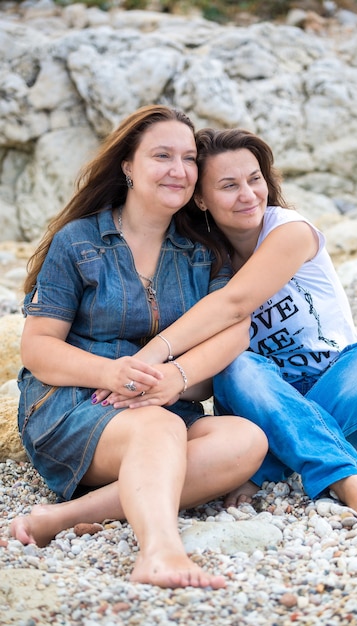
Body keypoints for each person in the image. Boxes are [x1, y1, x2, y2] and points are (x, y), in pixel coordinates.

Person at [10, 107, 269, 589]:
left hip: (164, 403)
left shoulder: (203, 249)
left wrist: (176, 380)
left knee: (246, 441)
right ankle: (160, 551)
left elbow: (234, 331)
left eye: (189, 158)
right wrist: (111, 374)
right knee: (157, 426)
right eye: (162, 155)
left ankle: (67, 515)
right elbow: (38, 349)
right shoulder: (80, 241)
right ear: (128, 165)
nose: (180, 170)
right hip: (74, 404)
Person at [115, 126, 357, 519]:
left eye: (255, 180)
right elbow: (208, 366)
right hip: (258, 406)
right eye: (229, 185)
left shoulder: (290, 231)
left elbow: (236, 304)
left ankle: (267, 468)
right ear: (200, 198)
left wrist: (151, 356)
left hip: (346, 399)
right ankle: (341, 472)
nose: (249, 195)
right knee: (236, 364)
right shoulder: (201, 261)